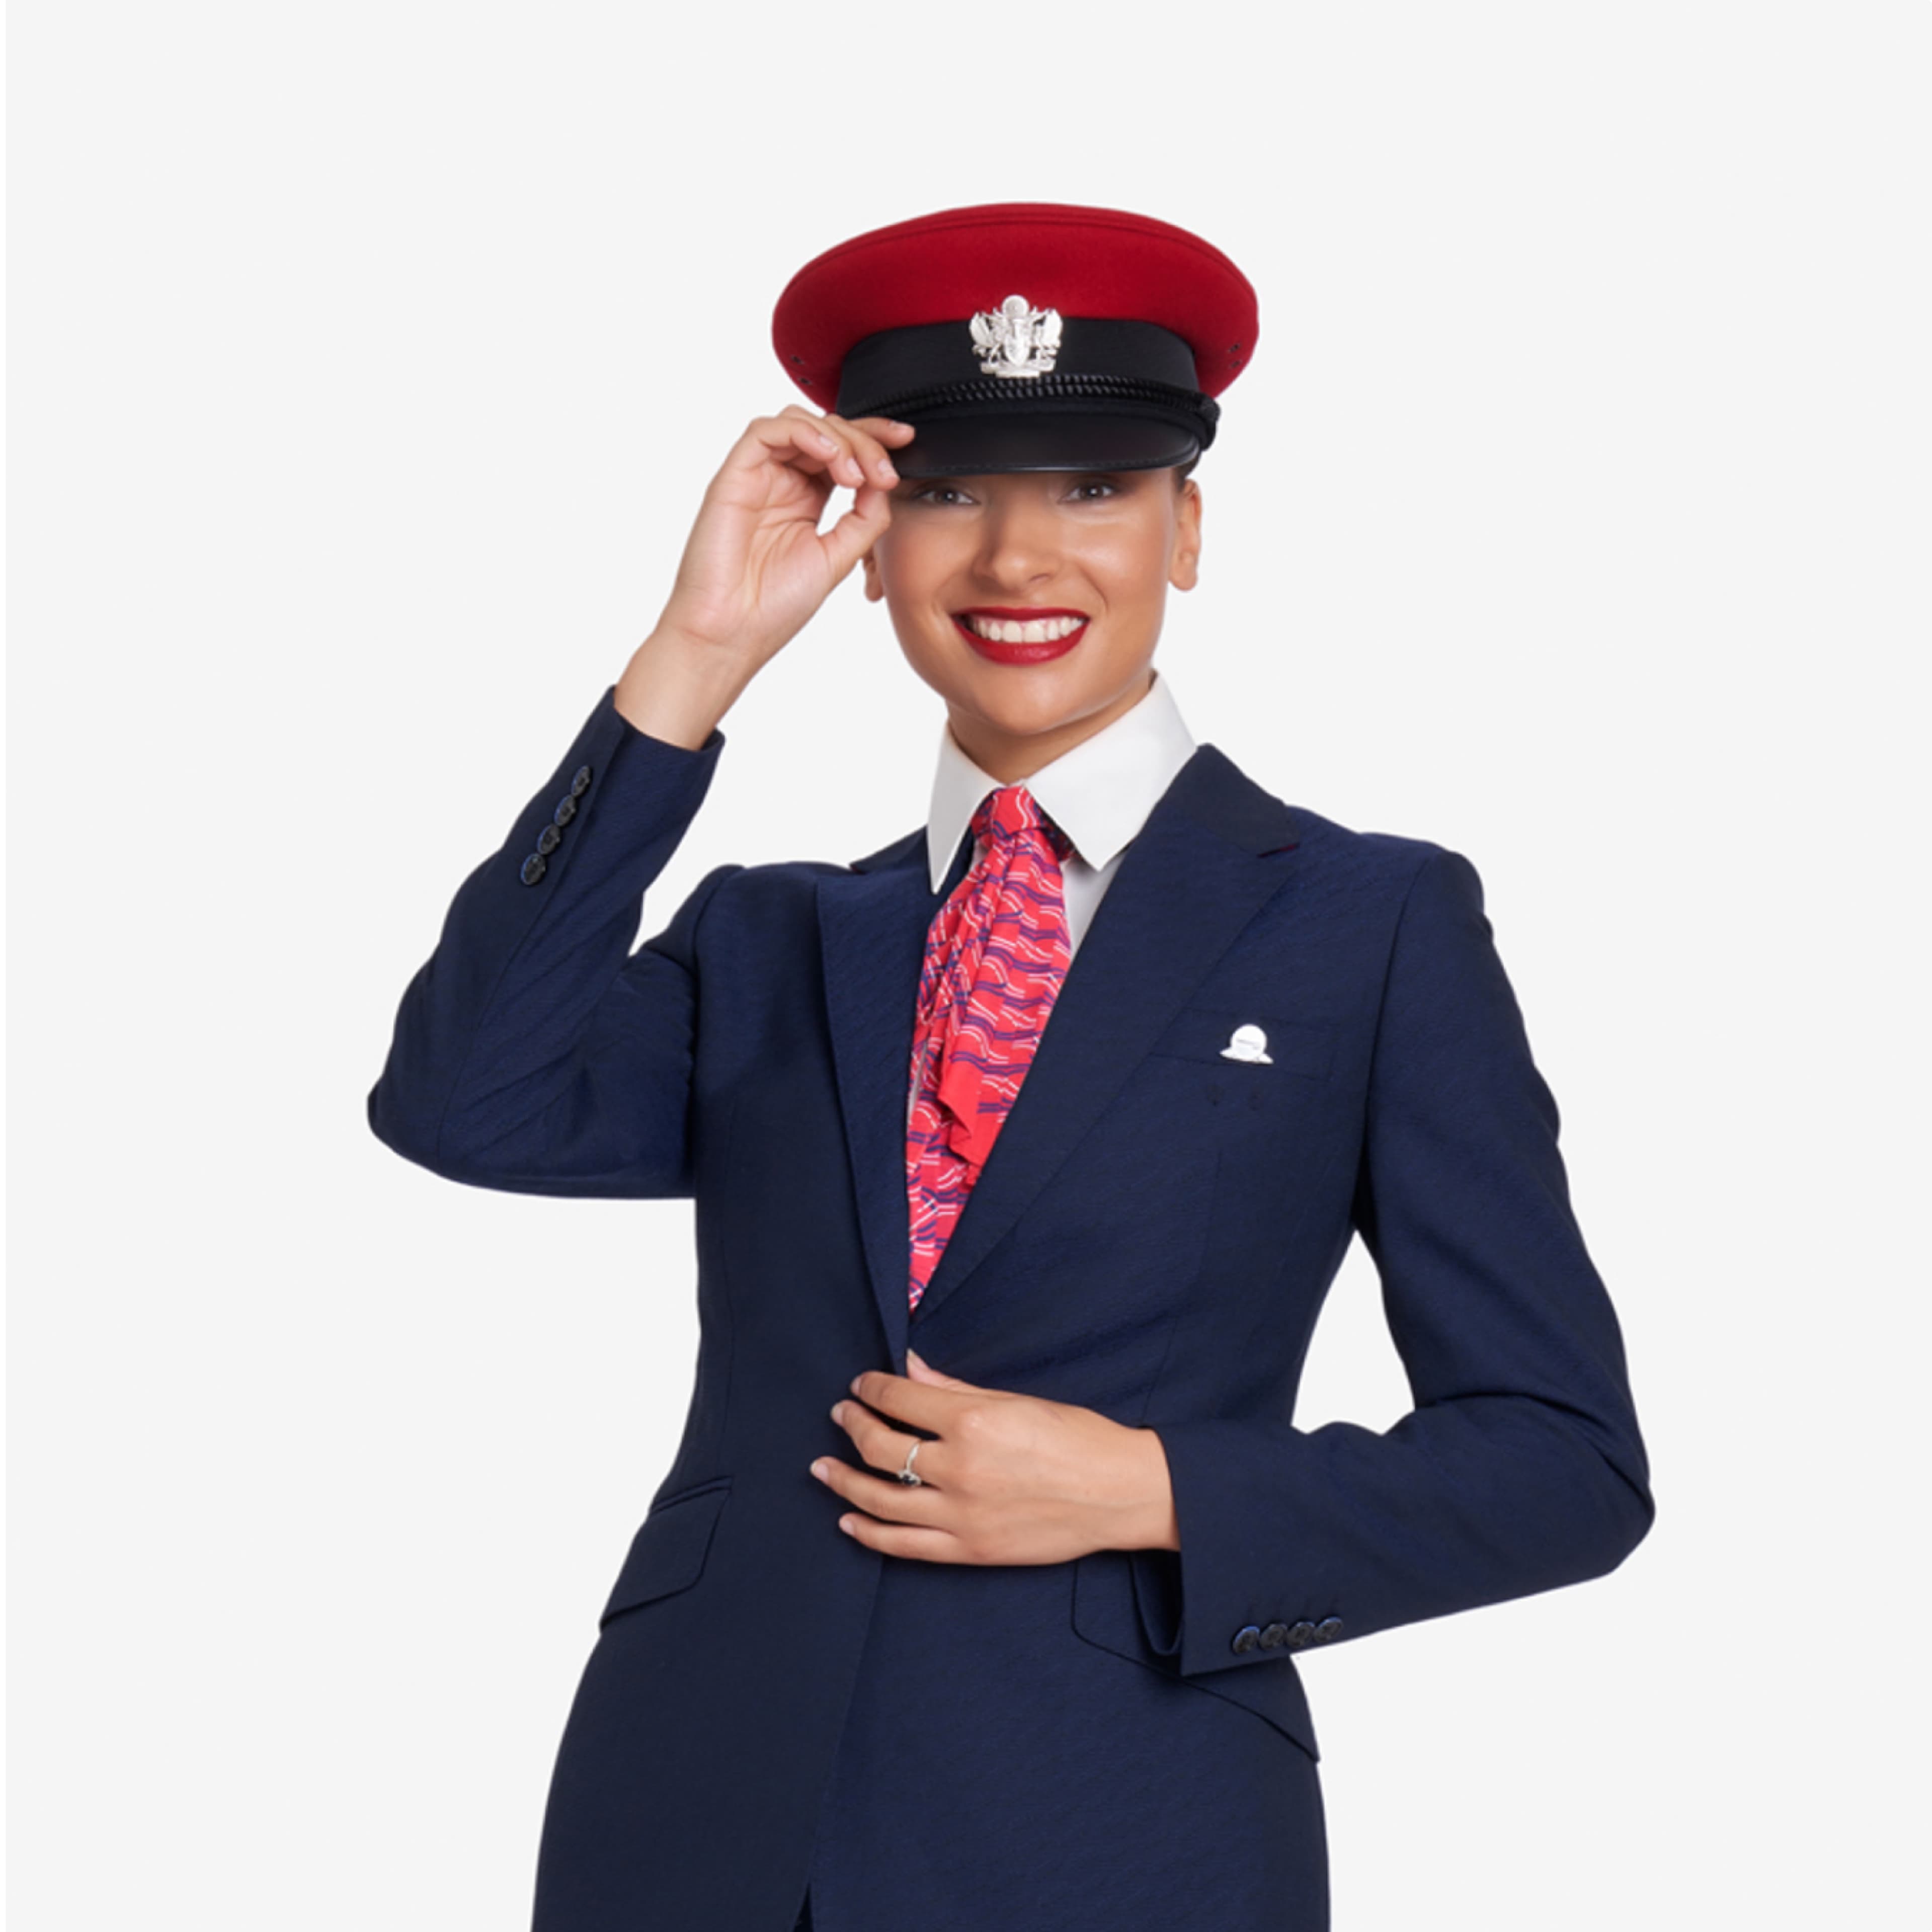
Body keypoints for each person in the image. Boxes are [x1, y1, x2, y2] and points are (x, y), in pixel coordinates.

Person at [368, 202, 1652, 1932]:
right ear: (874, 541)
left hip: (1123, 1829)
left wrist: (1152, 1487)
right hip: (690, 1824)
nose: (1018, 560)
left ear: (1188, 527)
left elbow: (1562, 1464)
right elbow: (464, 1101)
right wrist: (690, 666)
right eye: (953, 494)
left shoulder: (1374, 923)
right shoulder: (771, 938)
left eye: (1096, 489)